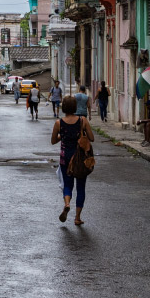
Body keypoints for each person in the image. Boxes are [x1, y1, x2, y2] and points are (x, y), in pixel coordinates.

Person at [52, 95, 95, 227]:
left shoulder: (59, 123)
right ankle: (77, 218)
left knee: (67, 185)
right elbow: (92, 138)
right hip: (80, 158)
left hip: (65, 158)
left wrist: (63, 136)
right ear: (75, 106)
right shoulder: (82, 120)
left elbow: (53, 140)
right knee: (81, 187)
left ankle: (67, 204)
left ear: (64, 107)